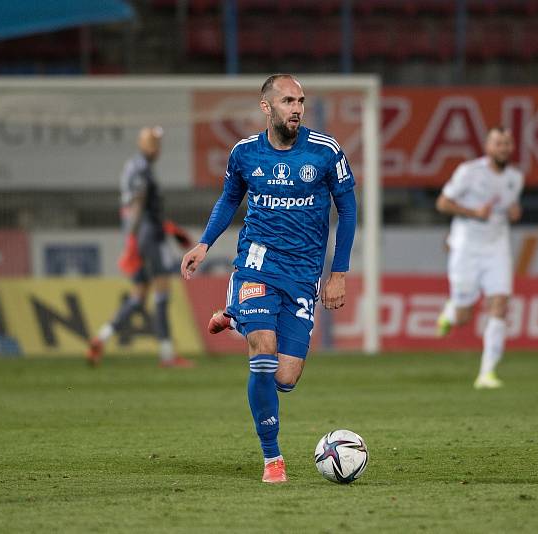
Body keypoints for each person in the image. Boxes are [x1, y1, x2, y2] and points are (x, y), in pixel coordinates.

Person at [180, 74, 357, 484]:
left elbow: (348, 211)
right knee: (262, 351)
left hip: (303, 275)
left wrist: (338, 273)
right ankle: (272, 458)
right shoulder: (244, 153)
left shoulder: (326, 152)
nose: (297, 108)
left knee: (284, 378)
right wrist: (204, 244)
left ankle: (234, 315)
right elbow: (229, 198)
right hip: (257, 265)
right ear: (266, 107)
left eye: (301, 101)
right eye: (288, 100)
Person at [86, 126, 194, 368]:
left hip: (142, 233)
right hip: (148, 237)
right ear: (142, 144)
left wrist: (170, 230)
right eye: (153, 143)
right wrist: (134, 242)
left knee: (138, 296)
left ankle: (100, 338)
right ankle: (167, 355)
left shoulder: (133, 167)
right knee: (162, 291)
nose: (157, 148)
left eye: (158, 143)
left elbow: (141, 210)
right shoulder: (142, 170)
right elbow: (138, 206)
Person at [434, 127, 524, 389]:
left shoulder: (516, 178)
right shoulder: (469, 172)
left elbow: (510, 207)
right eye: (498, 143)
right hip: (466, 247)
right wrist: (474, 212)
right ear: (488, 146)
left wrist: (515, 211)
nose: (503, 148)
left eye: (507, 143)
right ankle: (451, 311)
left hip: (497, 248)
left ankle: (487, 373)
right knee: (463, 316)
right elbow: (443, 203)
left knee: (500, 304)